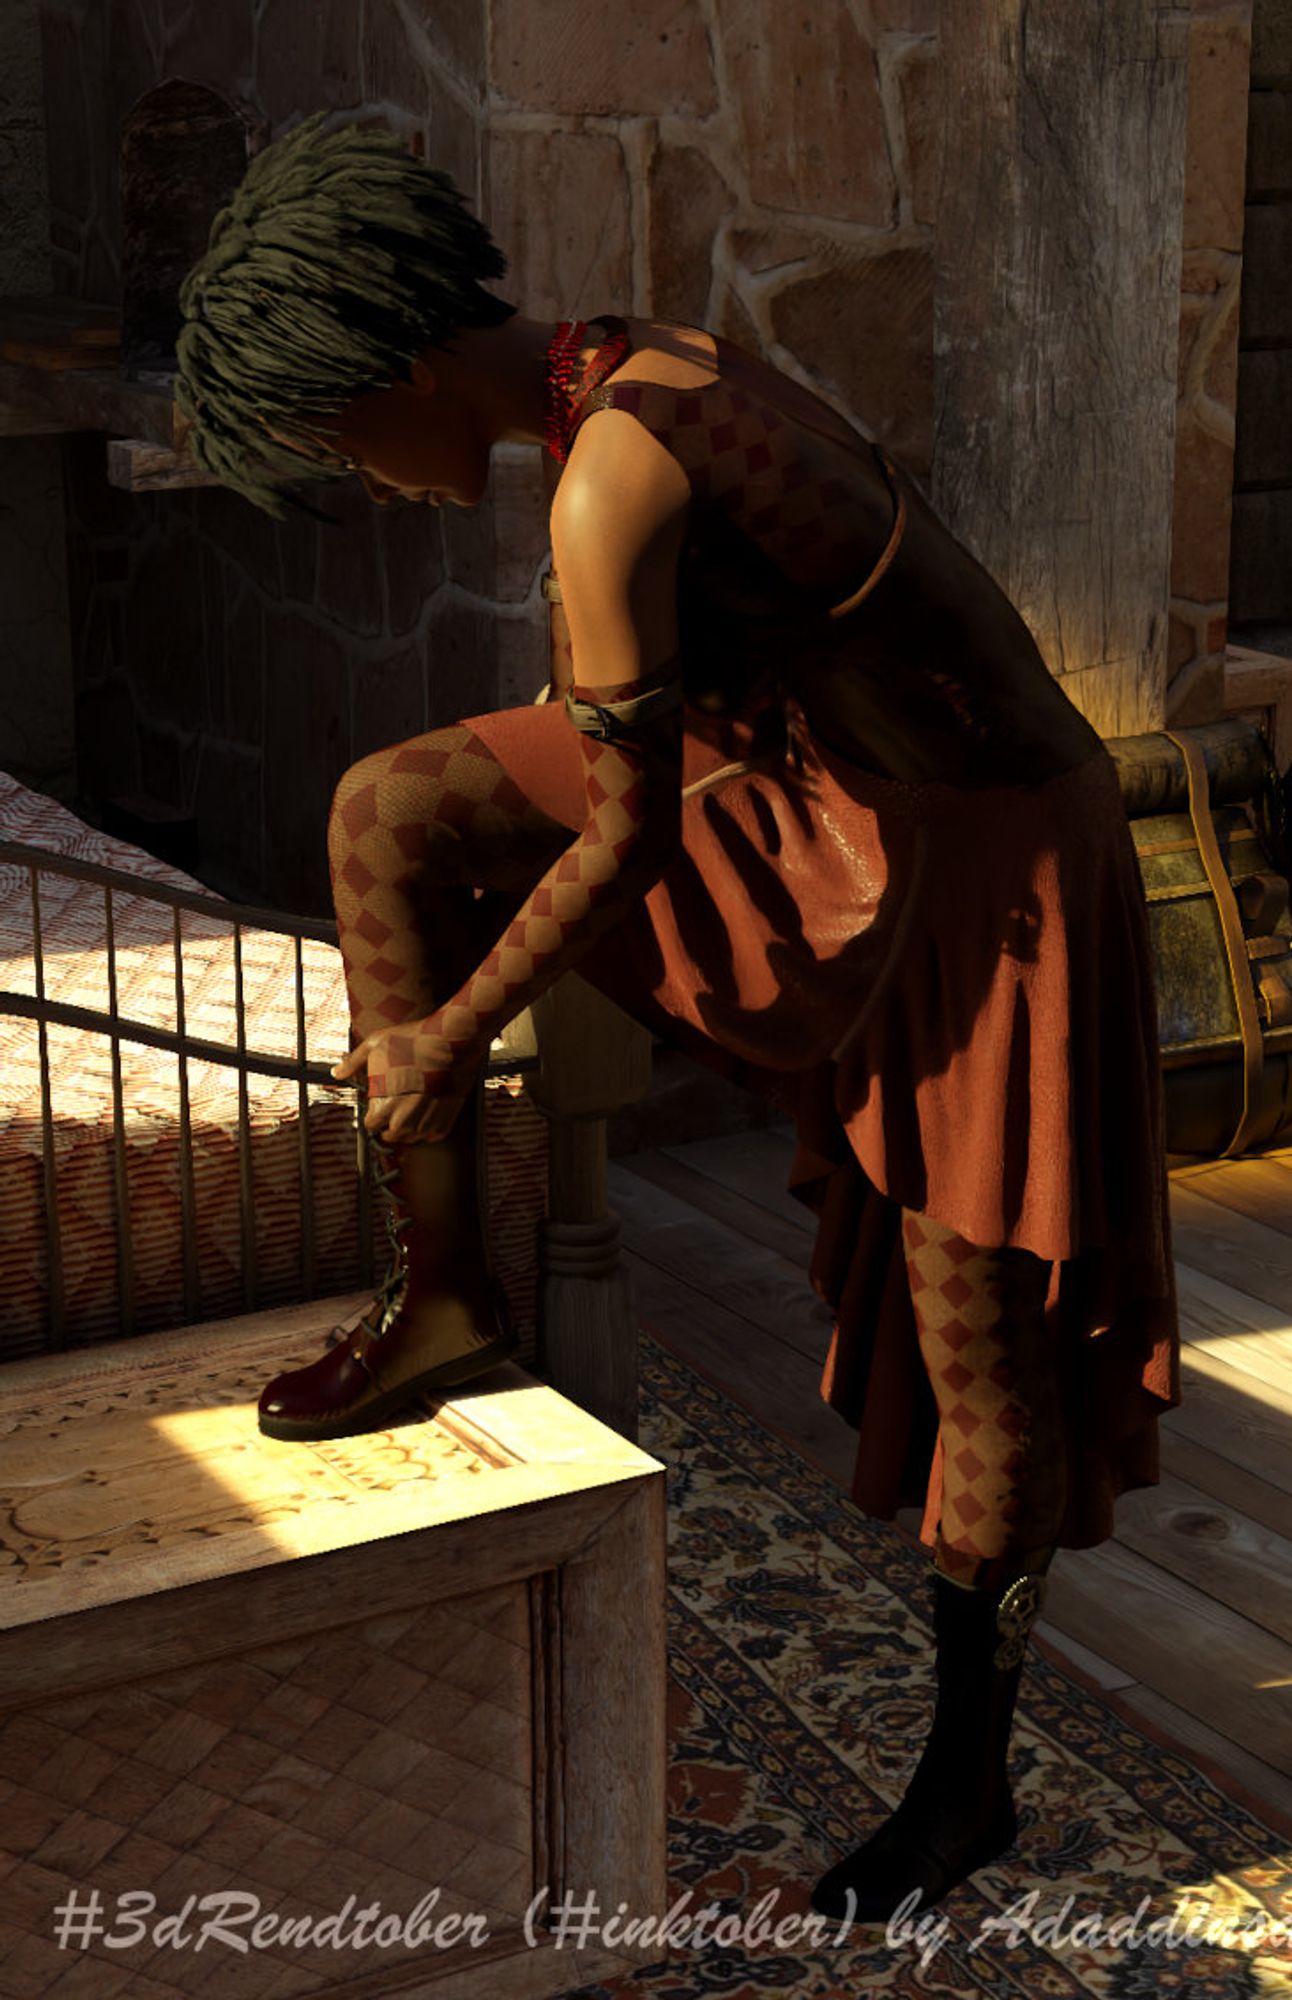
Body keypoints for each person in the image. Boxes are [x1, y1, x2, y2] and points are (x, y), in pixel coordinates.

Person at [175, 111, 1180, 1923]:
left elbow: (628, 836)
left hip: (982, 865)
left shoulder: (607, 474)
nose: (364, 478)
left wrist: (443, 1032)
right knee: (384, 809)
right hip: (810, 767)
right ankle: (452, 1291)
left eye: (339, 437)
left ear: (401, 364)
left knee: (981, 1355)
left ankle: (965, 1790)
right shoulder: (604, 365)